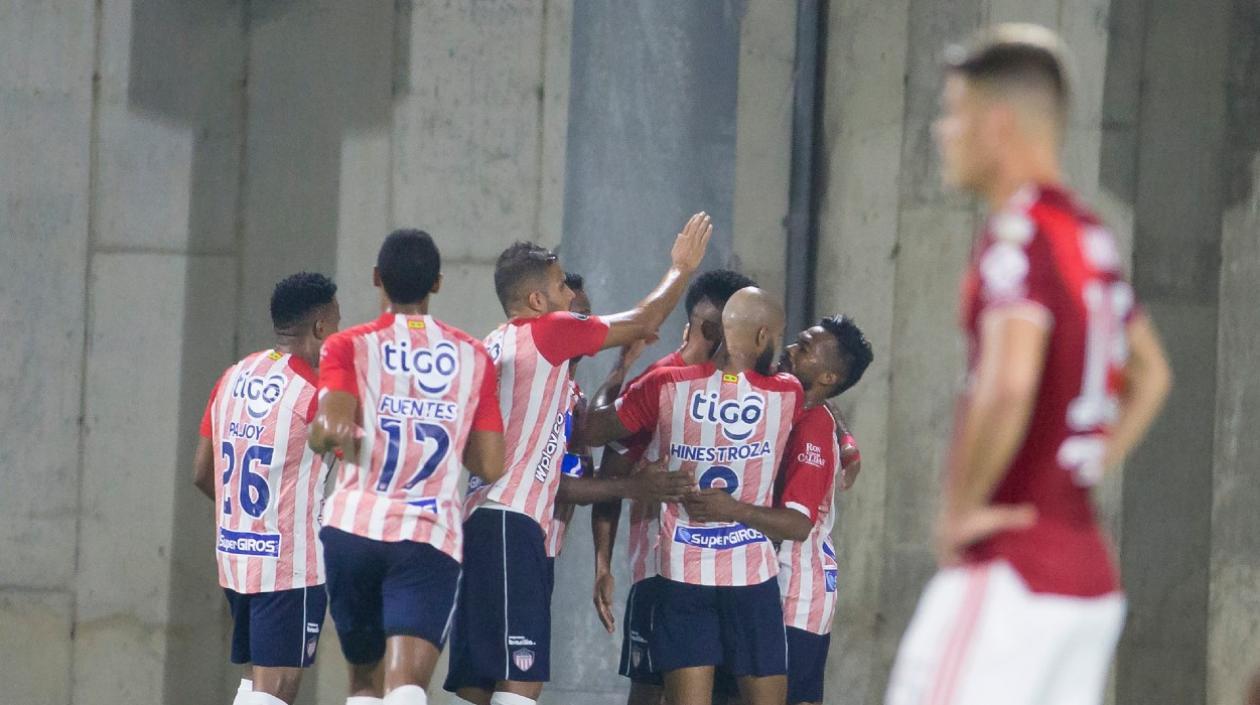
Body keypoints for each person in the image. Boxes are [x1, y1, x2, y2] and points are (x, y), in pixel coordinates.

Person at [884, 24, 1172, 705]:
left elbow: (1009, 383)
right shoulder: (1089, 235)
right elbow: (1152, 375)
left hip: (1011, 574)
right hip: (1086, 578)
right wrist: (1083, 467)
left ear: (998, 124)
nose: (942, 132)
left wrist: (959, 511)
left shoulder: (1018, 235)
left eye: (954, 112)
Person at [444, 213, 712, 705]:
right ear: (537, 300)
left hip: (486, 521)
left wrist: (620, 370)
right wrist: (681, 267)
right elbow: (645, 318)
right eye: (562, 286)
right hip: (512, 520)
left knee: (477, 682)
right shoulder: (547, 331)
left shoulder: (499, 344)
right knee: (521, 681)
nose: (570, 297)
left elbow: (573, 432)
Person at [309, 230, 506, 705]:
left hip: (354, 531)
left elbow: (328, 428)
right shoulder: (473, 356)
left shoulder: (348, 345)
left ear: (377, 278)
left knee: (364, 680)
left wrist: (329, 434)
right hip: (426, 534)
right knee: (406, 684)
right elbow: (490, 463)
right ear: (437, 283)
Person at [583, 287, 804, 705]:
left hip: (683, 573)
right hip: (751, 575)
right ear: (762, 337)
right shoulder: (786, 393)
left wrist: (619, 370)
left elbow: (592, 430)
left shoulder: (665, 384)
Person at [689, 315, 873, 705]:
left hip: (795, 591)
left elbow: (798, 524)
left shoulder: (812, 428)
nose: (789, 350)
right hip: (759, 582)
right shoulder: (781, 404)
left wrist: (730, 508)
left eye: (803, 349)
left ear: (827, 377)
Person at [193, 272, 341, 705]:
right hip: (290, 565)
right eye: (337, 323)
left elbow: (202, 471)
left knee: (257, 682)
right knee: (277, 689)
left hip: (237, 557)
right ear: (320, 327)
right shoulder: (315, 394)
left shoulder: (233, 377)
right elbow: (366, 464)